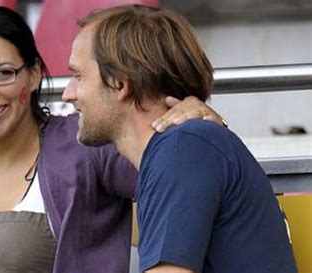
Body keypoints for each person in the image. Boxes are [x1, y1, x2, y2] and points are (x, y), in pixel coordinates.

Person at [0, 5, 225, 273]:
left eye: (2, 74)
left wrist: (195, 122)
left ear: (36, 72)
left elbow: (189, 180)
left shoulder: (86, 143)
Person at [62, 4, 297, 273]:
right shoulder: (186, 145)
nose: (67, 94)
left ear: (120, 83)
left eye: (78, 76)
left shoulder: (182, 148)